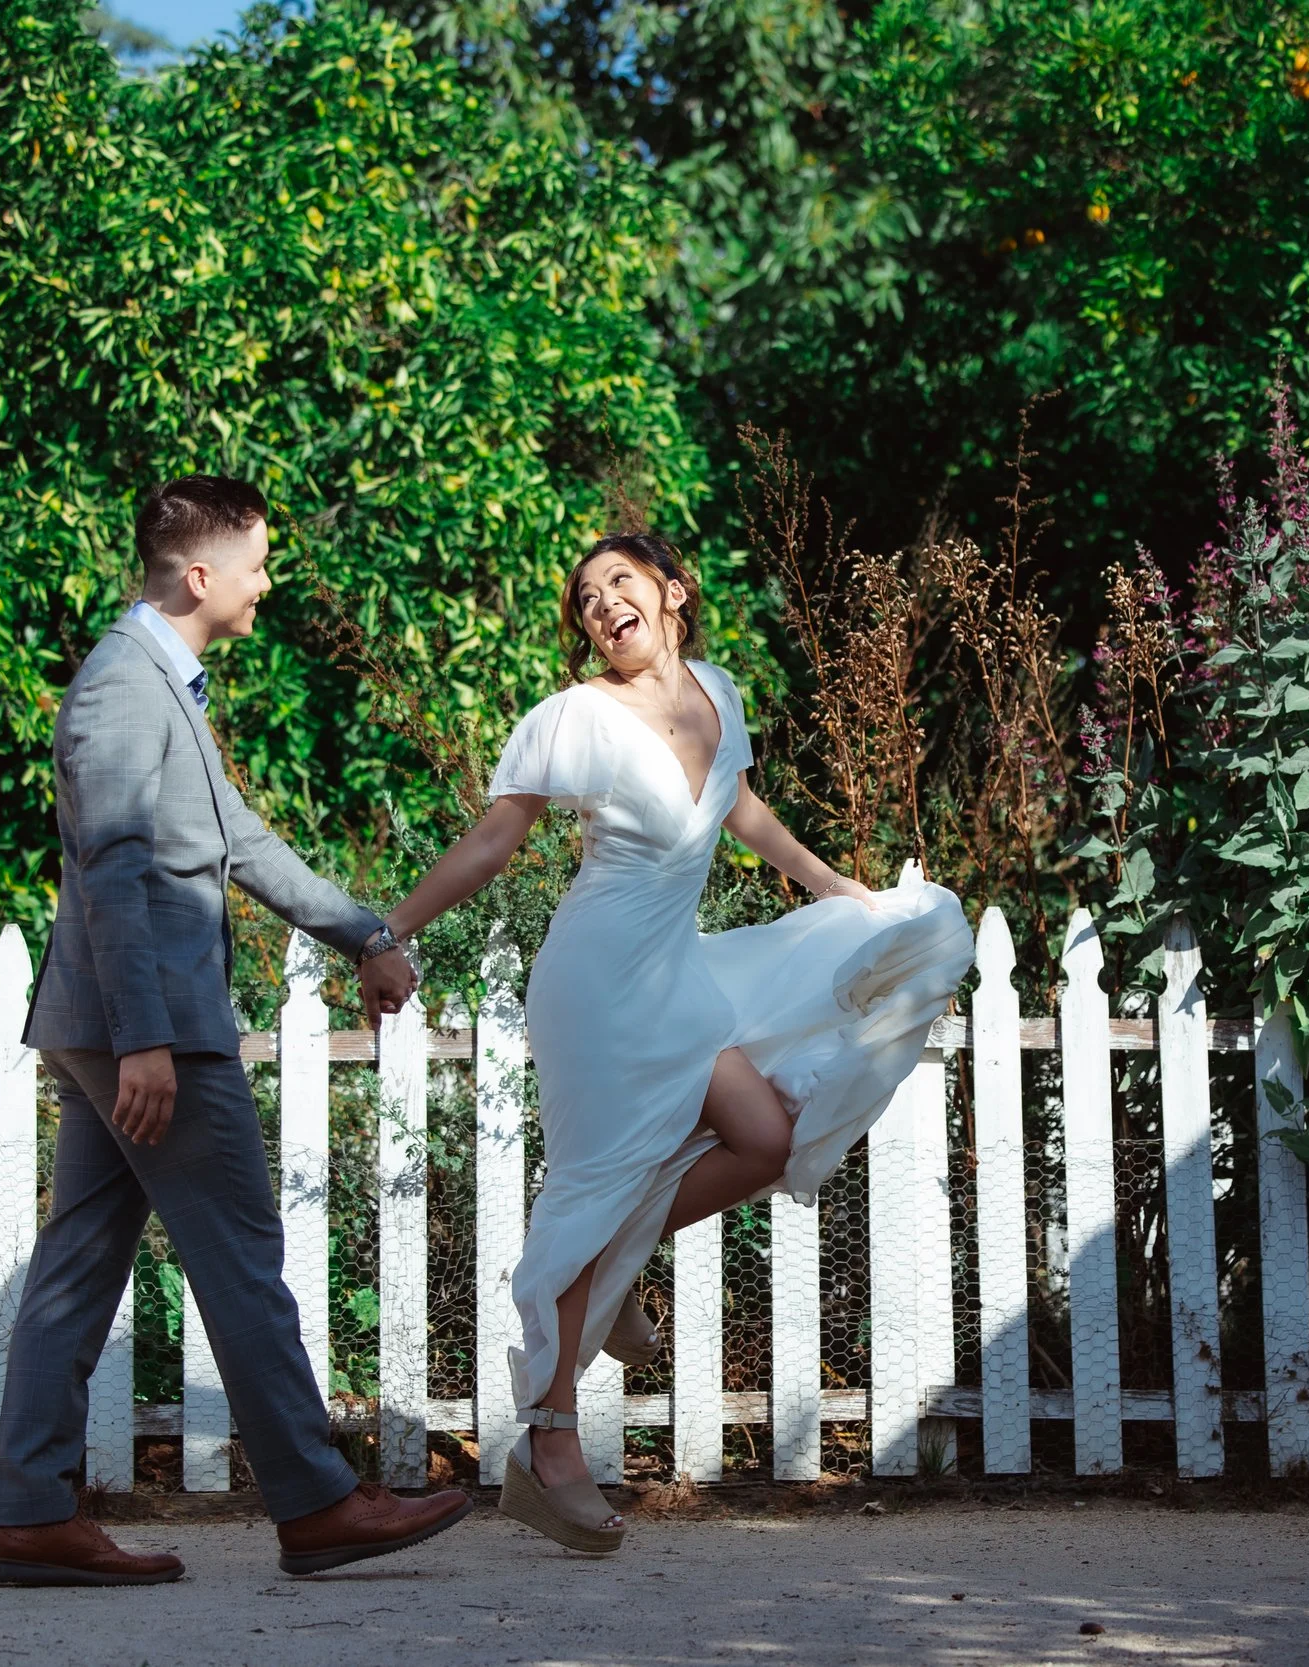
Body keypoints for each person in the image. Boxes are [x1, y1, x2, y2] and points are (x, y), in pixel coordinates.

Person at [381, 533, 971, 1553]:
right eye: (584, 597)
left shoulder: (716, 691)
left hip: (675, 975)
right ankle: (547, 1446)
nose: (601, 602)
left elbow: (736, 805)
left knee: (765, 1135)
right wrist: (386, 930)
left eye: (620, 582)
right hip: (596, 985)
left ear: (672, 591)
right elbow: (493, 838)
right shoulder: (572, 719)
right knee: (593, 1190)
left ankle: (619, 1258)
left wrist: (833, 886)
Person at [0, 476, 472, 1586]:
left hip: (122, 1018)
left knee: (76, 1263)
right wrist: (146, 1039)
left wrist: (367, 931)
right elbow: (110, 872)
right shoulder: (123, 688)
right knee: (245, 1258)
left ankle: (30, 1512)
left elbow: (238, 843)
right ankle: (316, 1499)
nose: (267, 580)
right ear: (200, 575)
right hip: (146, 1022)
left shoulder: (165, 684)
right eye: (256, 562)